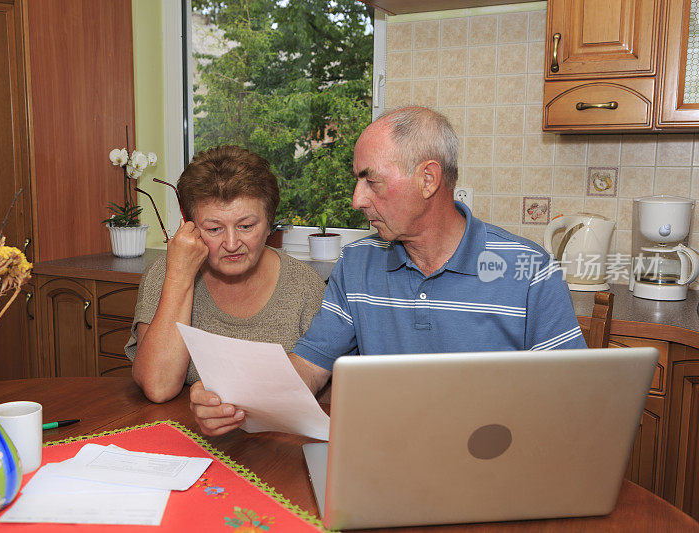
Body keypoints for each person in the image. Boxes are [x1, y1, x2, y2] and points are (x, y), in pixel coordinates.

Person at [190, 106, 587, 436]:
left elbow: (572, 402)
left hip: (490, 461)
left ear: (428, 179)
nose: (356, 199)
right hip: (384, 459)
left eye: (371, 181)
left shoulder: (530, 270)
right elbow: (309, 369)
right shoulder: (357, 263)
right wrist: (230, 398)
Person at [126, 145, 326, 408]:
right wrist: (179, 277)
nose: (232, 244)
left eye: (246, 226)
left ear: (269, 223)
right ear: (190, 227)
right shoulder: (166, 273)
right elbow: (158, 386)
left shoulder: (306, 286)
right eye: (214, 228)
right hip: (189, 433)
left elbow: (328, 397)